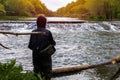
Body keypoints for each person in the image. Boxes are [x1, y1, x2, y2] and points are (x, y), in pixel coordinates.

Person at [28, 14, 56, 80]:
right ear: (45, 23)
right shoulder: (48, 32)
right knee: (47, 76)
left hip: (36, 59)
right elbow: (53, 43)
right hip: (46, 60)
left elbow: (30, 46)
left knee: (37, 75)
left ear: (37, 23)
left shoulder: (33, 32)